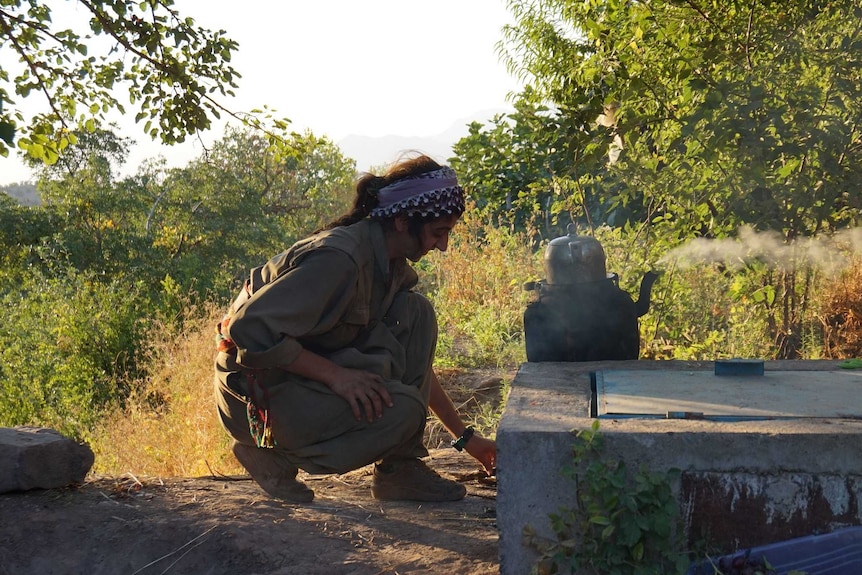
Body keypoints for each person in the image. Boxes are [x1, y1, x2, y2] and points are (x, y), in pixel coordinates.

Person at [213, 154, 497, 503]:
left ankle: (399, 471)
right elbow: (249, 328)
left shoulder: (388, 265)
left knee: (417, 312)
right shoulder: (340, 259)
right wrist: (337, 376)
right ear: (403, 221)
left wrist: (468, 438)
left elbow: (418, 365)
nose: (442, 245)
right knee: (404, 409)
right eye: (438, 233)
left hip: (292, 379)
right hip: (255, 397)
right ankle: (273, 457)